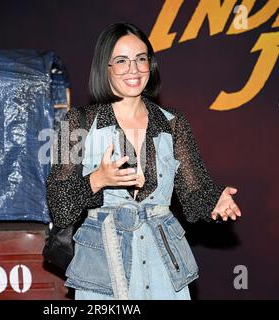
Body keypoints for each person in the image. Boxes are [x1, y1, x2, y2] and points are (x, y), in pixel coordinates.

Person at [46, 22, 241, 300]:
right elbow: (59, 206)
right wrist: (97, 180)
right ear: (106, 67)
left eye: (141, 59)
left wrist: (214, 201)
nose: (134, 69)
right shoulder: (77, 123)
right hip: (103, 269)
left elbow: (194, 193)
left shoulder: (173, 123)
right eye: (122, 61)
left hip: (165, 264)